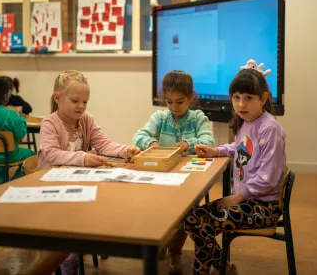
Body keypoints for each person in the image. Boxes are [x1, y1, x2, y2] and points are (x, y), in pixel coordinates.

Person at [38, 70, 140, 275]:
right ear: (58, 98)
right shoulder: (50, 122)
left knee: (99, 206)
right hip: (51, 188)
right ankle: (67, 257)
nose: (81, 107)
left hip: (76, 184)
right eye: (75, 101)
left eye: (85, 102)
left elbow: (103, 144)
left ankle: (80, 246)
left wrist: (124, 150)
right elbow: (50, 154)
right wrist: (83, 158)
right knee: (70, 221)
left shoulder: (86, 119)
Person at [185, 67, 286, 275]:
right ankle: (224, 266)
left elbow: (267, 179)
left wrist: (238, 197)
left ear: (264, 98)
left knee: (202, 224)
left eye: (249, 98)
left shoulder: (270, 129)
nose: (241, 104)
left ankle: (211, 270)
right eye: (236, 97)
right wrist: (216, 150)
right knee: (191, 218)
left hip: (263, 207)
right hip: (247, 200)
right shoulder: (248, 121)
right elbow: (239, 147)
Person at [133, 70, 215, 274]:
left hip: (189, 179)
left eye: (179, 102)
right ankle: (159, 243)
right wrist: (150, 142)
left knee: (184, 213)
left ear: (191, 98)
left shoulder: (198, 118)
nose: (174, 107)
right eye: (169, 102)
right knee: (157, 209)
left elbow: (209, 141)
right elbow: (139, 136)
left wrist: (189, 144)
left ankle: (175, 251)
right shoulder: (160, 118)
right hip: (162, 177)